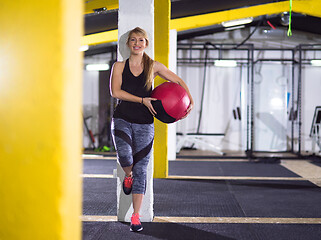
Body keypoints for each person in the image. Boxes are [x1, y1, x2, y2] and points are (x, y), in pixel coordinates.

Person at [110, 27, 194, 232]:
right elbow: (115, 92)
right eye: (133, 40)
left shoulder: (154, 66)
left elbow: (178, 81)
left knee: (142, 169)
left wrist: (189, 100)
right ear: (128, 43)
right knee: (125, 156)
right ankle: (127, 175)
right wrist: (142, 99)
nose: (137, 43)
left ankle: (136, 216)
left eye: (141, 40)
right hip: (122, 118)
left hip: (145, 123)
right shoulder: (119, 66)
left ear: (146, 44)